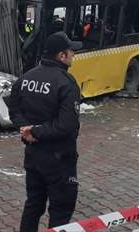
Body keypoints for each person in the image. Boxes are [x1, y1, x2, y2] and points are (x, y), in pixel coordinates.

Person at [6, 31, 82, 232]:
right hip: (59, 158)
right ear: (61, 56)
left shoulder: (25, 78)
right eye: (71, 52)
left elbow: (14, 109)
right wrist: (36, 131)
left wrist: (26, 129)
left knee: (33, 204)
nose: (73, 56)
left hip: (33, 155)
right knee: (61, 209)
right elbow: (67, 125)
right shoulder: (66, 82)